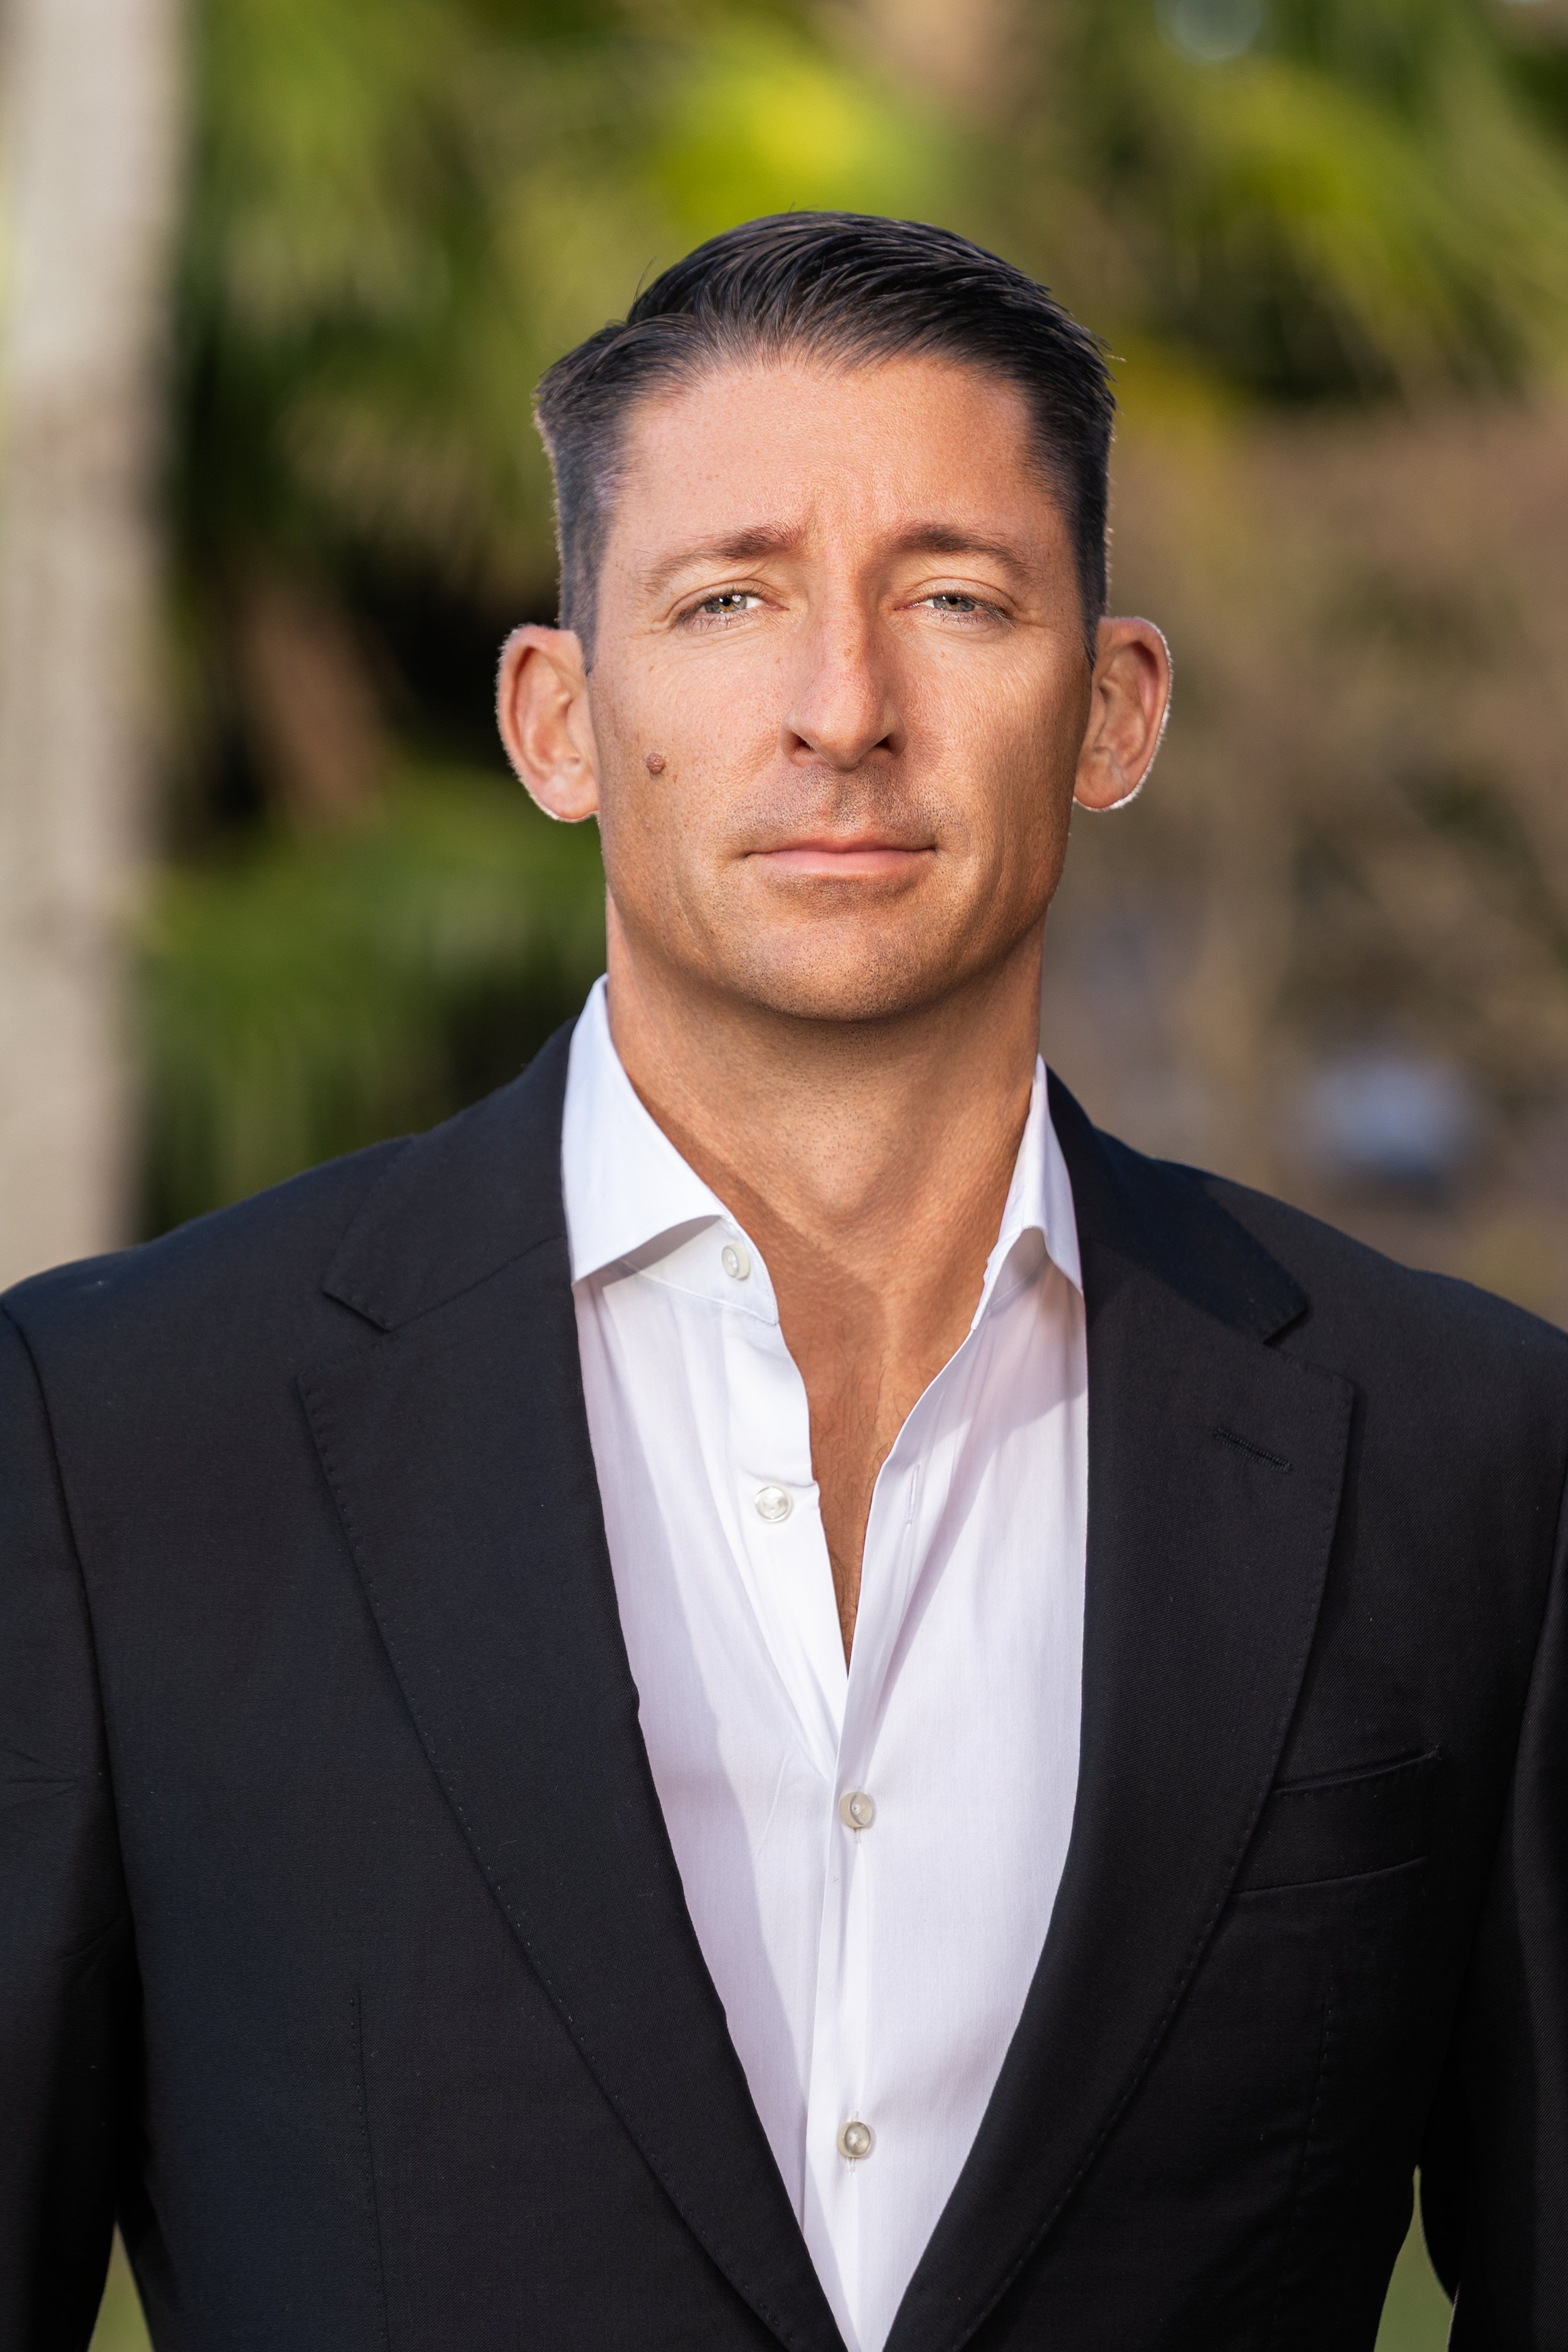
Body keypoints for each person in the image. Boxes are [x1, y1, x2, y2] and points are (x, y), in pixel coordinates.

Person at [2, 213, 1564, 2352]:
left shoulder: (1468, 1454)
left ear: (1112, 708)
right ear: (559, 718)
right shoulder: (116, 1439)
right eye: (728, 598)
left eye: (956, 597)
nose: (844, 708)